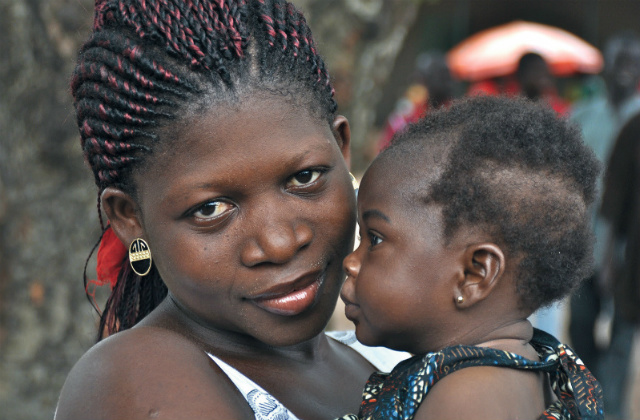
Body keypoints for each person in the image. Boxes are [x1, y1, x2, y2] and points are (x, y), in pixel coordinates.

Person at [54, 1, 409, 419]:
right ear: (130, 217)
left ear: (342, 150)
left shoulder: (388, 358)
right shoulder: (136, 376)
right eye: (211, 209)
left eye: (304, 178)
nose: (278, 243)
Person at [338, 96, 604, 420]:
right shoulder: (532, 368)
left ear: (474, 274)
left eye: (375, 239)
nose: (350, 262)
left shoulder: (466, 397)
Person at [568, 32, 640, 390]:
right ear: (605, 66)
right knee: (581, 320)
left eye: (633, 61)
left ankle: (609, 402)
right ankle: (590, 391)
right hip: (584, 240)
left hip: (631, 244)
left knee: (624, 329)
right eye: (619, 60)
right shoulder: (583, 116)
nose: (625, 69)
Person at [597, 112, 640, 420]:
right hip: (635, 268)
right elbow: (614, 202)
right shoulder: (634, 130)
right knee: (622, 348)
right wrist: (609, 258)